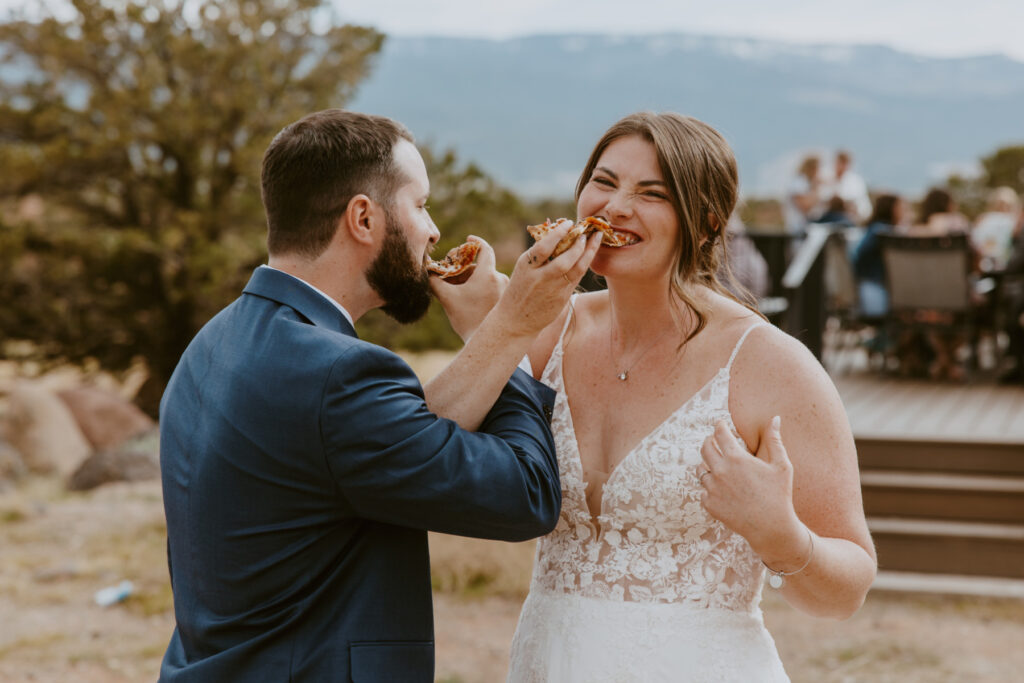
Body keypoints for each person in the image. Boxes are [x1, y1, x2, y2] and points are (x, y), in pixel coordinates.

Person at [157, 109, 601, 682]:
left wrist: (488, 338)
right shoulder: (337, 375)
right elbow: (525, 494)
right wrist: (507, 330)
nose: (433, 230)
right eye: (420, 205)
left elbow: (410, 439)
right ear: (363, 218)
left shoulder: (219, 339)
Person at [507, 112, 876, 681]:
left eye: (652, 193)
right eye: (604, 182)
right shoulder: (545, 331)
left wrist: (780, 534)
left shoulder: (770, 365)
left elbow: (846, 591)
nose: (615, 207)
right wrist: (499, 322)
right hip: (549, 660)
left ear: (704, 224)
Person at [853, 193, 904, 318]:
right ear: (892, 209)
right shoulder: (883, 233)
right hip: (877, 292)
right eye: (901, 208)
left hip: (867, 290)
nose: (904, 212)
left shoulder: (873, 229)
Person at [971, 186, 1021, 272]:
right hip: (1009, 266)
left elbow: (975, 244)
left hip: (984, 266)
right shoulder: (1015, 220)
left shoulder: (982, 219)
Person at [825, 149, 871, 223]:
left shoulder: (855, 181)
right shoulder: (826, 178)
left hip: (851, 218)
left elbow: (858, 205)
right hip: (830, 216)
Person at [784, 154, 821, 236]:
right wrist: (816, 189)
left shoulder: (806, 183)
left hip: (805, 228)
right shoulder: (798, 183)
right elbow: (805, 207)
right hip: (797, 228)